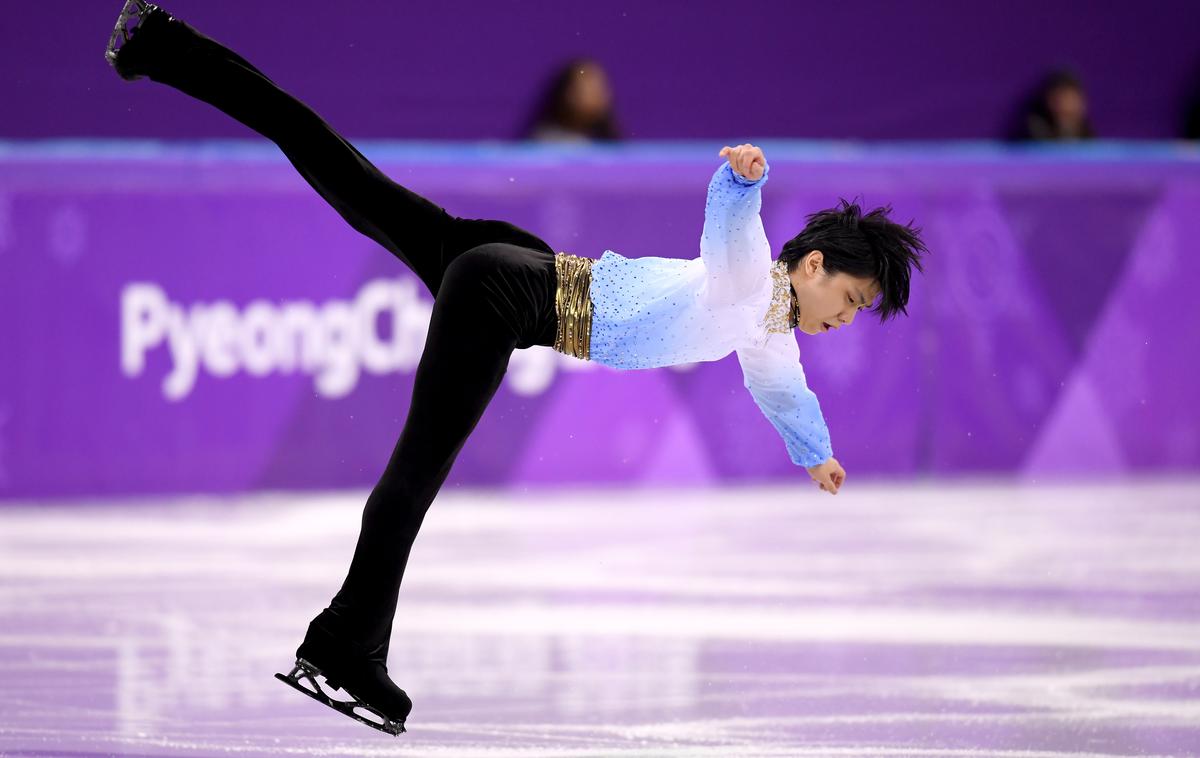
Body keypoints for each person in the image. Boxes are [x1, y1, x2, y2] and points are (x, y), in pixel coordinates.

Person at [104, 0, 928, 736]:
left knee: (332, 162)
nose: (846, 318)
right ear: (813, 265)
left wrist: (812, 450)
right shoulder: (754, 282)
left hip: (518, 270)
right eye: (850, 298)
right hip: (505, 294)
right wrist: (743, 181)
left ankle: (163, 43)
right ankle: (346, 644)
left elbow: (780, 385)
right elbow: (733, 235)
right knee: (415, 474)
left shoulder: (770, 328)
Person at [520, 57, 621, 142]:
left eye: (599, 87)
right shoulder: (545, 142)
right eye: (586, 88)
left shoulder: (612, 146)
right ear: (565, 94)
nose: (596, 94)